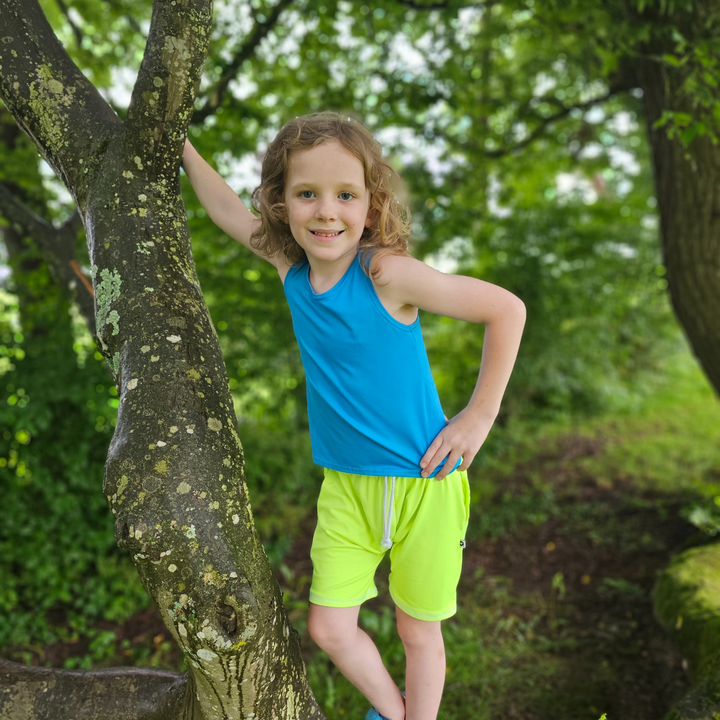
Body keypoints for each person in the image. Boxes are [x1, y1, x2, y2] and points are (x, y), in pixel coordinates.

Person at [182, 111, 525, 720]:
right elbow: (224, 209)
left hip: (428, 482)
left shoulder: (386, 274)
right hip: (346, 488)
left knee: (418, 632)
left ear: (371, 206)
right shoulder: (291, 273)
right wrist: (175, 140)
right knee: (329, 629)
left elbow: (506, 309)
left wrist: (478, 414)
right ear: (281, 204)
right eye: (306, 193)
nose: (326, 211)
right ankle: (394, 713)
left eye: (346, 194)